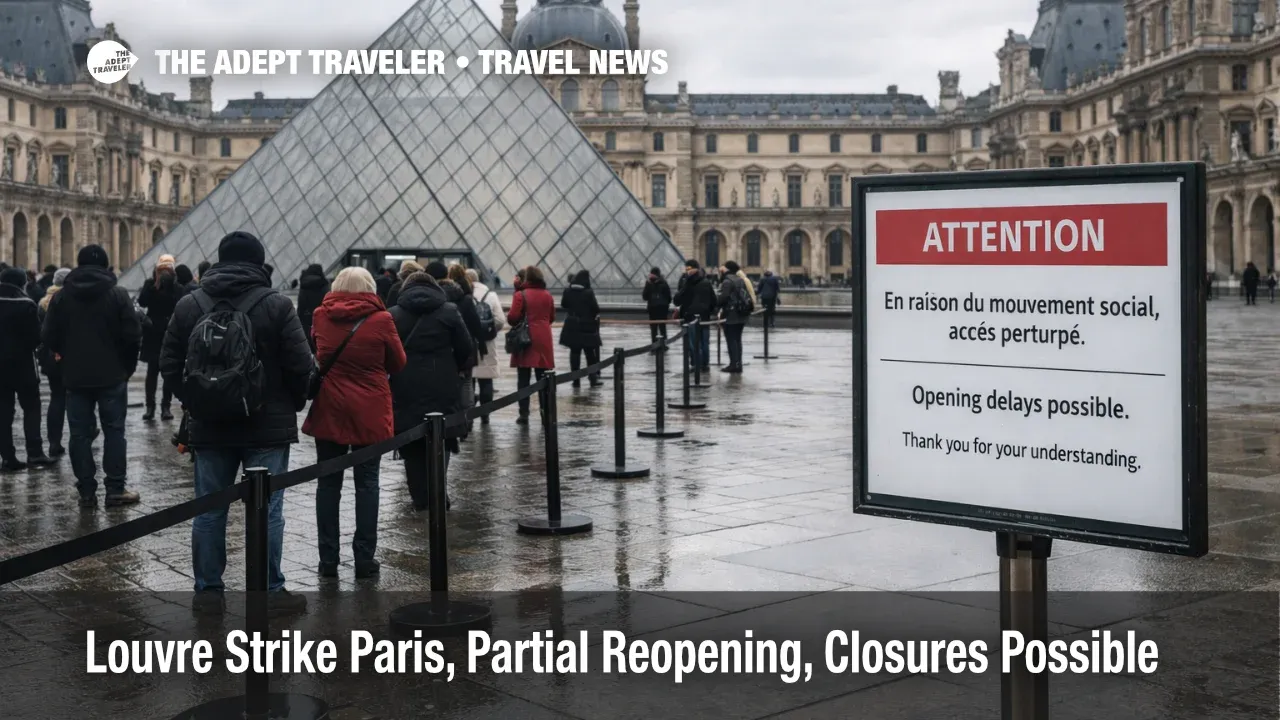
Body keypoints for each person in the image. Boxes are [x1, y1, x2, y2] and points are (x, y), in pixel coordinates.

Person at [160, 231, 313, 615]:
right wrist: (289, 404)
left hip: (210, 426)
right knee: (269, 509)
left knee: (209, 510)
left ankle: (208, 592)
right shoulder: (277, 305)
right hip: (267, 423)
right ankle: (270, 591)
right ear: (259, 263)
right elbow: (301, 367)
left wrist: (196, 399)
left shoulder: (189, 303)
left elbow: (168, 364)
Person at [302, 267, 406, 579]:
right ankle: (364, 559)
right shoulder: (382, 319)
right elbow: (398, 362)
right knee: (367, 483)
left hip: (330, 407)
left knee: (328, 483)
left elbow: (317, 350)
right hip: (370, 410)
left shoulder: (321, 315)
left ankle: (328, 561)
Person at [42, 245, 142, 507]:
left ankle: (86, 491)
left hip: (75, 377)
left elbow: (49, 336)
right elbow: (133, 337)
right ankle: (115, 489)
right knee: (114, 432)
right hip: (111, 376)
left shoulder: (62, 297)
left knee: (79, 435)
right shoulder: (118, 295)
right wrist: (125, 369)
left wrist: (66, 358)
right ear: (106, 265)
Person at [388, 272, 473, 511]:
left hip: (405, 386)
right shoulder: (449, 311)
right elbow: (466, 348)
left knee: (411, 442)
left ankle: (419, 498)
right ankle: (438, 492)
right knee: (442, 438)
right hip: (442, 385)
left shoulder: (393, 315)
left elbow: (387, 355)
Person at [0, 267, 52, 471]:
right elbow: (36, 338)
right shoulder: (26, 304)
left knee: (3, 411)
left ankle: (7, 456)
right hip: (23, 365)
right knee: (31, 408)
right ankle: (35, 452)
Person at [137, 254, 186, 421]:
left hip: (169, 332)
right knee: (152, 372)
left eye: (168, 268)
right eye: (162, 268)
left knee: (168, 372)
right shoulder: (150, 284)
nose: (165, 271)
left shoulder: (177, 287)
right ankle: (150, 407)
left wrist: (170, 285)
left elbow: (180, 305)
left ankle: (166, 406)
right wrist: (154, 284)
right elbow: (142, 302)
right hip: (153, 333)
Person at [508, 266, 555, 425]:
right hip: (544, 339)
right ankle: (544, 413)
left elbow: (513, 317)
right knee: (543, 378)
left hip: (525, 339)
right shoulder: (548, 295)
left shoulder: (521, 295)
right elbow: (552, 317)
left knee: (523, 378)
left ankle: (524, 414)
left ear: (527, 278)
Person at [38, 268, 71, 457]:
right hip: (68, 355)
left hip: (50, 357)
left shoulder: (42, 302)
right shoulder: (69, 300)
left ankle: (54, 442)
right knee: (77, 397)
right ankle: (86, 434)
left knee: (56, 398)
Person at [466, 268, 504, 423]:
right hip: (486, 344)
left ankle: (469, 413)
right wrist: (490, 332)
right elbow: (500, 320)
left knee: (469, 380)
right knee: (486, 380)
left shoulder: (464, 295)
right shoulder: (491, 295)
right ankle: (485, 415)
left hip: (467, 342)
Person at [560, 269, 603, 388]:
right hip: (586, 325)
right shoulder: (588, 292)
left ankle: (575, 379)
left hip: (572, 325)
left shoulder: (568, 291)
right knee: (590, 353)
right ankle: (593, 378)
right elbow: (596, 309)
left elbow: (564, 304)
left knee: (574, 353)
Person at [673, 260, 716, 372]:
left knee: (694, 343)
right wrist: (707, 311)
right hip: (704, 317)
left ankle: (697, 365)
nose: (687, 271)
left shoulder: (687, 283)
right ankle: (705, 364)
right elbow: (714, 301)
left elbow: (677, 300)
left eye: (688, 269)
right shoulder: (706, 282)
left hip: (690, 317)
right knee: (704, 342)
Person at [717, 261, 752, 373]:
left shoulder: (727, 281)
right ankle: (738, 363)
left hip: (732, 314)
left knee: (731, 339)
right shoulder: (740, 279)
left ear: (726, 269)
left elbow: (724, 298)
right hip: (742, 313)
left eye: (722, 268)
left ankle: (734, 364)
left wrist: (715, 304)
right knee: (737, 340)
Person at [296, 263, 329, 353]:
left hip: (307, 321)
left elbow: (300, 308)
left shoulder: (304, 285)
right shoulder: (325, 285)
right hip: (322, 321)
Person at [642, 267, 672, 346]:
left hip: (653, 309)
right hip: (662, 309)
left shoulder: (649, 284)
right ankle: (663, 344)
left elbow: (644, 297)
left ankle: (654, 344)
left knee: (654, 329)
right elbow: (669, 297)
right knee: (662, 328)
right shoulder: (664, 283)